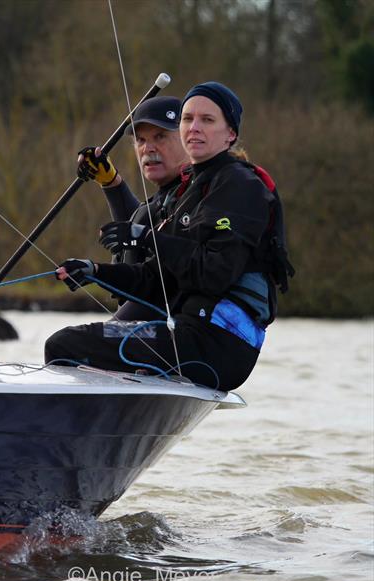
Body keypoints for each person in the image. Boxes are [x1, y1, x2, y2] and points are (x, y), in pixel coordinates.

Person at [45, 82, 294, 391]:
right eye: (187, 119)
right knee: (72, 342)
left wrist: (146, 238)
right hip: (184, 334)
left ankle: (88, 436)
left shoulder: (240, 186)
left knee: (66, 345)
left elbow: (214, 273)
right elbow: (155, 280)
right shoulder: (192, 191)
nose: (194, 128)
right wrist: (95, 272)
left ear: (230, 134)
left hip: (215, 345)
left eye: (207, 120)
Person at [77, 96, 188, 320]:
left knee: (64, 346)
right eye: (140, 140)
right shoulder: (163, 197)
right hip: (146, 321)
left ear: (188, 139)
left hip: (179, 329)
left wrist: (96, 271)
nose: (148, 148)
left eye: (160, 137)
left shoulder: (199, 193)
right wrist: (110, 183)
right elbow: (141, 225)